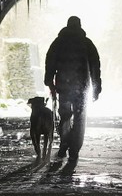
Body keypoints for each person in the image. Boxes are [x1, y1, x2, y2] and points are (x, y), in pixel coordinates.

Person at [44, 15, 102, 164]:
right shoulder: (87, 43)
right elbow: (95, 66)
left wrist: (49, 80)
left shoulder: (58, 43)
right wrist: (96, 87)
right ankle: (74, 150)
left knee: (64, 116)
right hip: (81, 88)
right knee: (79, 118)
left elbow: (50, 60)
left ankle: (64, 142)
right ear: (80, 25)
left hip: (63, 86)